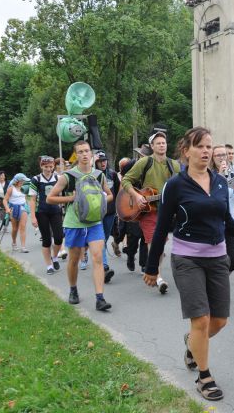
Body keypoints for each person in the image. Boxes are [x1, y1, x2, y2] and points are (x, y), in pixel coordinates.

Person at [143, 127, 234, 401]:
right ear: (186, 151)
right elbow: (161, 226)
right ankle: (204, 376)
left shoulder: (221, 183)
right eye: (199, 146)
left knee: (220, 321)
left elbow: (228, 222)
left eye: (208, 146)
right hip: (187, 258)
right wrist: (152, 267)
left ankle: (191, 344)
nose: (205, 151)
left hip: (217, 258)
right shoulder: (175, 185)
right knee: (200, 319)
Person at [46, 140, 114, 311]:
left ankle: (100, 298)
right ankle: (73, 289)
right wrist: (71, 198)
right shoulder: (67, 176)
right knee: (74, 260)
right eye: (81, 152)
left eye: (87, 151)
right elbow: (50, 198)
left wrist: (99, 200)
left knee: (97, 257)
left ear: (91, 154)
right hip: (74, 223)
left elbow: (110, 195)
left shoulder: (99, 175)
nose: (84, 154)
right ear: (77, 155)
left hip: (94, 223)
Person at [121, 131, 180, 294]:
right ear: (152, 146)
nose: (162, 145)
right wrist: (137, 195)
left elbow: (182, 185)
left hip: (167, 211)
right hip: (148, 210)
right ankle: (158, 276)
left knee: (160, 245)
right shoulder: (145, 162)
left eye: (164, 142)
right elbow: (126, 180)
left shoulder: (173, 165)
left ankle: (154, 270)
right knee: (153, 242)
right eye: (158, 143)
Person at [29, 156, 64, 274]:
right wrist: (33, 217)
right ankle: (49, 266)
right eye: (46, 167)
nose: (48, 169)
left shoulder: (58, 177)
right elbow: (33, 199)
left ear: (54, 166)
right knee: (47, 240)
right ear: (41, 166)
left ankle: (54, 257)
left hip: (56, 211)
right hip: (42, 212)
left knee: (59, 238)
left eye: (51, 166)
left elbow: (64, 193)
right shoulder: (36, 179)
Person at [209, 145, 234, 272]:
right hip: (215, 221)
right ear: (213, 158)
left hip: (230, 220)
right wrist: (221, 176)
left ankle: (222, 276)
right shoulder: (208, 175)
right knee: (216, 256)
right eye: (218, 155)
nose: (222, 158)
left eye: (224, 155)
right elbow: (213, 194)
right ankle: (216, 280)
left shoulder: (233, 173)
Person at [94, 150, 119, 283]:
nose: (103, 163)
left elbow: (118, 192)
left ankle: (98, 261)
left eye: (104, 160)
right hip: (96, 212)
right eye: (100, 161)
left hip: (110, 212)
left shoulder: (113, 174)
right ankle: (104, 266)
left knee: (103, 238)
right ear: (95, 163)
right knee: (100, 239)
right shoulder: (92, 175)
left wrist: (119, 209)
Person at [3, 173, 31, 253]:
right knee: (15, 228)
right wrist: (7, 209)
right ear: (17, 181)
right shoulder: (11, 189)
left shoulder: (24, 188)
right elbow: (5, 200)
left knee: (23, 227)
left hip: (23, 208)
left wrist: (27, 207)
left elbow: (25, 199)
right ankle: (14, 243)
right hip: (13, 208)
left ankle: (23, 247)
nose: (23, 182)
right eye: (22, 180)